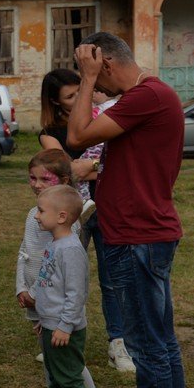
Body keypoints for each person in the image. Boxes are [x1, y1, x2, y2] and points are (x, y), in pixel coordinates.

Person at [67, 33, 190, 388]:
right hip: (142, 234)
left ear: (106, 63)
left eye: (95, 73)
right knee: (161, 344)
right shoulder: (149, 97)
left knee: (147, 348)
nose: (96, 87)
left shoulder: (146, 95)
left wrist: (86, 79)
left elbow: (77, 135)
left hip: (138, 237)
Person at [37, 69, 132, 372]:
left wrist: (89, 165)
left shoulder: (101, 118)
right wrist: (97, 165)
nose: (80, 98)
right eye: (70, 96)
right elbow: (67, 171)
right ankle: (56, 336)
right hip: (69, 216)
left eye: (81, 90)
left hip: (106, 208)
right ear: (55, 101)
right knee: (61, 277)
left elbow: (116, 164)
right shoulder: (50, 132)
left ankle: (118, 344)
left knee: (112, 279)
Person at [15, 150, 108, 388]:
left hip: (54, 304)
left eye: (45, 179)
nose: (37, 184)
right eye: (32, 178)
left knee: (67, 362)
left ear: (65, 180)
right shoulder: (38, 214)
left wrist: (35, 293)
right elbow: (25, 253)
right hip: (43, 303)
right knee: (52, 359)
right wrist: (22, 287)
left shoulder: (63, 226)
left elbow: (57, 270)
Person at [23, 184, 93, 388]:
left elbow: (76, 294)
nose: (36, 216)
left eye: (41, 211)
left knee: (69, 378)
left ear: (62, 216)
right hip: (52, 325)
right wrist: (44, 318)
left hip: (66, 329)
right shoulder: (55, 244)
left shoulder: (71, 249)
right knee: (55, 374)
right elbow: (48, 282)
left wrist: (64, 325)